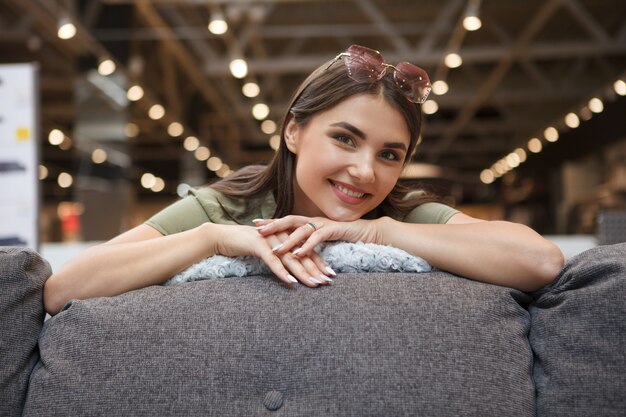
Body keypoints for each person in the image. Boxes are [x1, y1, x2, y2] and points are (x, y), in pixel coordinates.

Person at [43, 44, 564, 315]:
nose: (366, 171)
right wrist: (212, 239)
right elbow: (64, 290)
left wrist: (378, 232)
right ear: (294, 131)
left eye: (390, 153)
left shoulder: (402, 213)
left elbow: (539, 261)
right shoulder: (226, 206)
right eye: (344, 138)